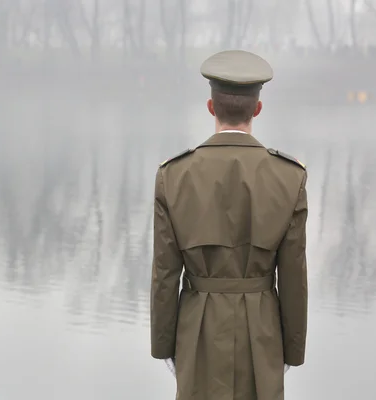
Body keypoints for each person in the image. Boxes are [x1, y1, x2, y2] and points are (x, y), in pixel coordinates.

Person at [150, 50, 308, 400]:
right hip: (263, 328)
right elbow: (294, 275)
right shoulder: (289, 177)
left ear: (211, 107)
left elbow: (165, 273)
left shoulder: (173, 175)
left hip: (196, 329)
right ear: (257, 109)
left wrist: (164, 345)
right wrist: (292, 350)